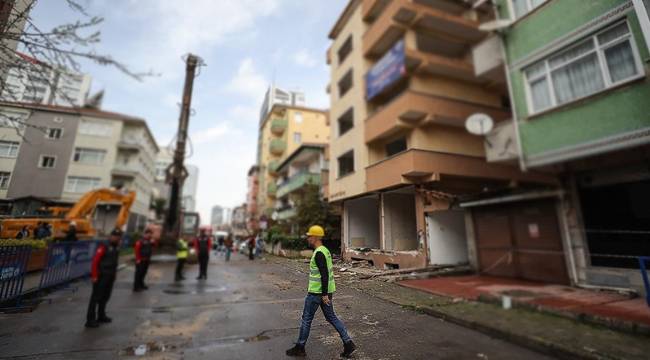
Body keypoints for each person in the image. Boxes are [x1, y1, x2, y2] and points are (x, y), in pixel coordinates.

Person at [286, 225, 356, 358]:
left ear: (316, 237)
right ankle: (348, 343)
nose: (308, 238)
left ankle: (300, 347)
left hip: (317, 294)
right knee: (331, 317)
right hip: (326, 292)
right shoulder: (325, 250)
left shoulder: (319, 253)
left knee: (306, 319)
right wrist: (326, 294)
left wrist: (323, 295)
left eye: (309, 236)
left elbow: (324, 274)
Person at [86, 228, 121, 328]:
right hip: (101, 276)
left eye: (118, 237)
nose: (116, 238)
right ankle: (90, 320)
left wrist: (114, 274)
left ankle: (101, 315)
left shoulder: (116, 247)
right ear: (111, 236)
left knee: (105, 297)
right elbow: (95, 261)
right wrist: (94, 276)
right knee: (95, 298)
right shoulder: (104, 246)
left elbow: (115, 262)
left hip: (109, 275)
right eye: (115, 236)